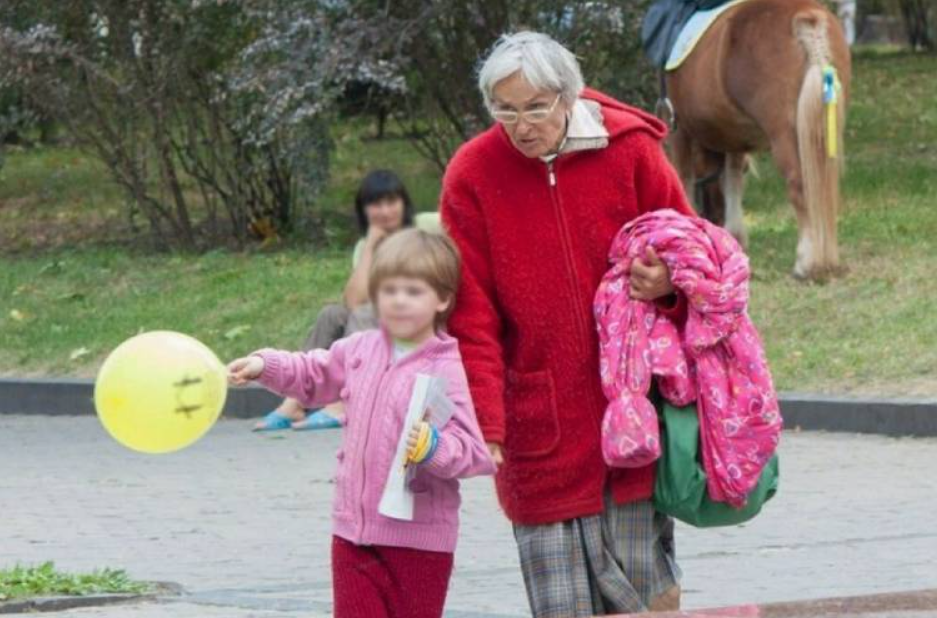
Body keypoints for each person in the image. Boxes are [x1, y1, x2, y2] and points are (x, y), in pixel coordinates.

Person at [440, 31, 697, 617]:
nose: (520, 126)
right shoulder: (471, 174)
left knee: (650, 599)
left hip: (633, 419)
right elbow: (471, 316)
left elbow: (697, 255)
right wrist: (486, 423)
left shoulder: (631, 152)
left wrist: (669, 284)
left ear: (568, 96)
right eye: (504, 110)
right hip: (539, 429)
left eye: (535, 108)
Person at [228, 228, 496, 618]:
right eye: (389, 290)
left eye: (413, 291)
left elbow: (472, 450)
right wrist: (264, 365)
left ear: (442, 299)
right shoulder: (360, 349)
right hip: (352, 534)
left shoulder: (449, 367)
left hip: (419, 543)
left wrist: (434, 448)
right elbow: (314, 372)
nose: (399, 300)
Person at [253, 169, 415, 431]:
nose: (385, 211)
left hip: (419, 318)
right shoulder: (366, 246)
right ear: (364, 210)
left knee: (364, 313)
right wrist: (371, 245)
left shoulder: (423, 231)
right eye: (376, 204)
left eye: (391, 202)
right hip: (381, 320)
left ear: (404, 203)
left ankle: (342, 402)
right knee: (332, 314)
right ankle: (295, 402)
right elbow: (352, 300)